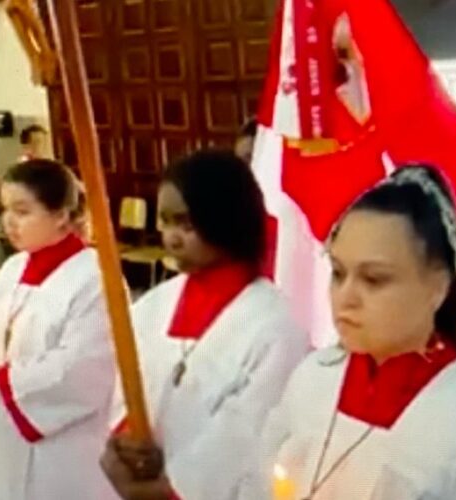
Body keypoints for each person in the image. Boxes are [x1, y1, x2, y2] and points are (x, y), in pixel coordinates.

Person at [241, 165, 456, 499]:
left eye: (374, 279)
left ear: (437, 287)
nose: (346, 297)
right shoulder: (313, 377)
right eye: (339, 273)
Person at [100, 150, 309, 499]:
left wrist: (168, 487)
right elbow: (122, 385)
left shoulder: (277, 325)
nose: (171, 237)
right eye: (165, 221)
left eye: (186, 223)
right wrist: (124, 440)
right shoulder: (154, 304)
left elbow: (247, 433)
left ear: (225, 218)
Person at [0, 159, 116, 499]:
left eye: (22, 210)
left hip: (66, 443)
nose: (9, 222)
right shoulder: (13, 268)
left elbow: (84, 368)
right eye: (4, 209)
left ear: (61, 215)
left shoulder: (97, 277)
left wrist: (1, 379)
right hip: (3, 431)